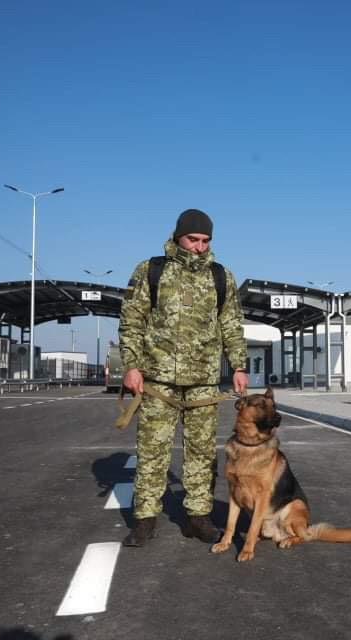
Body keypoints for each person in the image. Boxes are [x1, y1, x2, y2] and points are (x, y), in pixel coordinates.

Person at [118, 208, 248, 547]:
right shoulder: (151, 270)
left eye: (205, 241)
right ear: (178, 236)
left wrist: (239, 366)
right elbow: (132, 321)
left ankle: (198, 518)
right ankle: (144, 519)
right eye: (193, 239)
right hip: (157, 380)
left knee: (202, 453)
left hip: (204, 381)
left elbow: (231, 324)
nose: (199, 247)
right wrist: (131, 366)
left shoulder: (221, 276)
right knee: (152, 451)